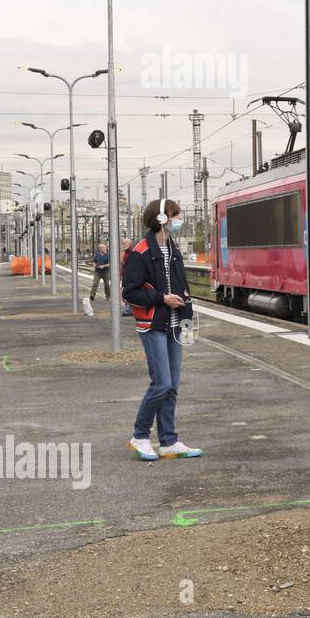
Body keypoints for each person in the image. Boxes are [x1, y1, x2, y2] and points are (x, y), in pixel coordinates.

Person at [122, 198, 203, 461]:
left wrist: (187, 318)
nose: (179, 220)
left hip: (175, 325)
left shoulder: (173, 248)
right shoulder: (140, 252)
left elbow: (182, 286)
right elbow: (130, 293)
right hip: (153, 325)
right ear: (161, 218)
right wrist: (162, 298)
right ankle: (140, 436)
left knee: (173, 385)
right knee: (161, 383)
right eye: (176, 215)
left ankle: (168, 441)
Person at [119, 238, 133, 316]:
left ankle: (128, 310)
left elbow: (125, 263)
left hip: (129, 277)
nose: (123, 245)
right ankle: (128, 310)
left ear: (130, 244)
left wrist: (121, 258)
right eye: (123, 243)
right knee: (126, 293)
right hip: (125, 276)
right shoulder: (125, 253)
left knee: (125, 293)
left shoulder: (131, 253)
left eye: (125, 243)